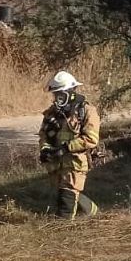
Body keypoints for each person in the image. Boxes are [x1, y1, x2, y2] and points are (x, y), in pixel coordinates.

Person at [39, 71, 101, 218]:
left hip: (75, 162)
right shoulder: (52, 113)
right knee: (66, 191)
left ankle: (64, 229)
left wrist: (66, 148)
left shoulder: (86, 111)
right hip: (56, 163)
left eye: (60, 93)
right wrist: (45, 150)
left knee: (67, 195)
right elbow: (43, 134)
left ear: (71, 91)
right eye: (55, 94)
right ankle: (93, 212)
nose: (57, 97)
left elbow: (91, 138)